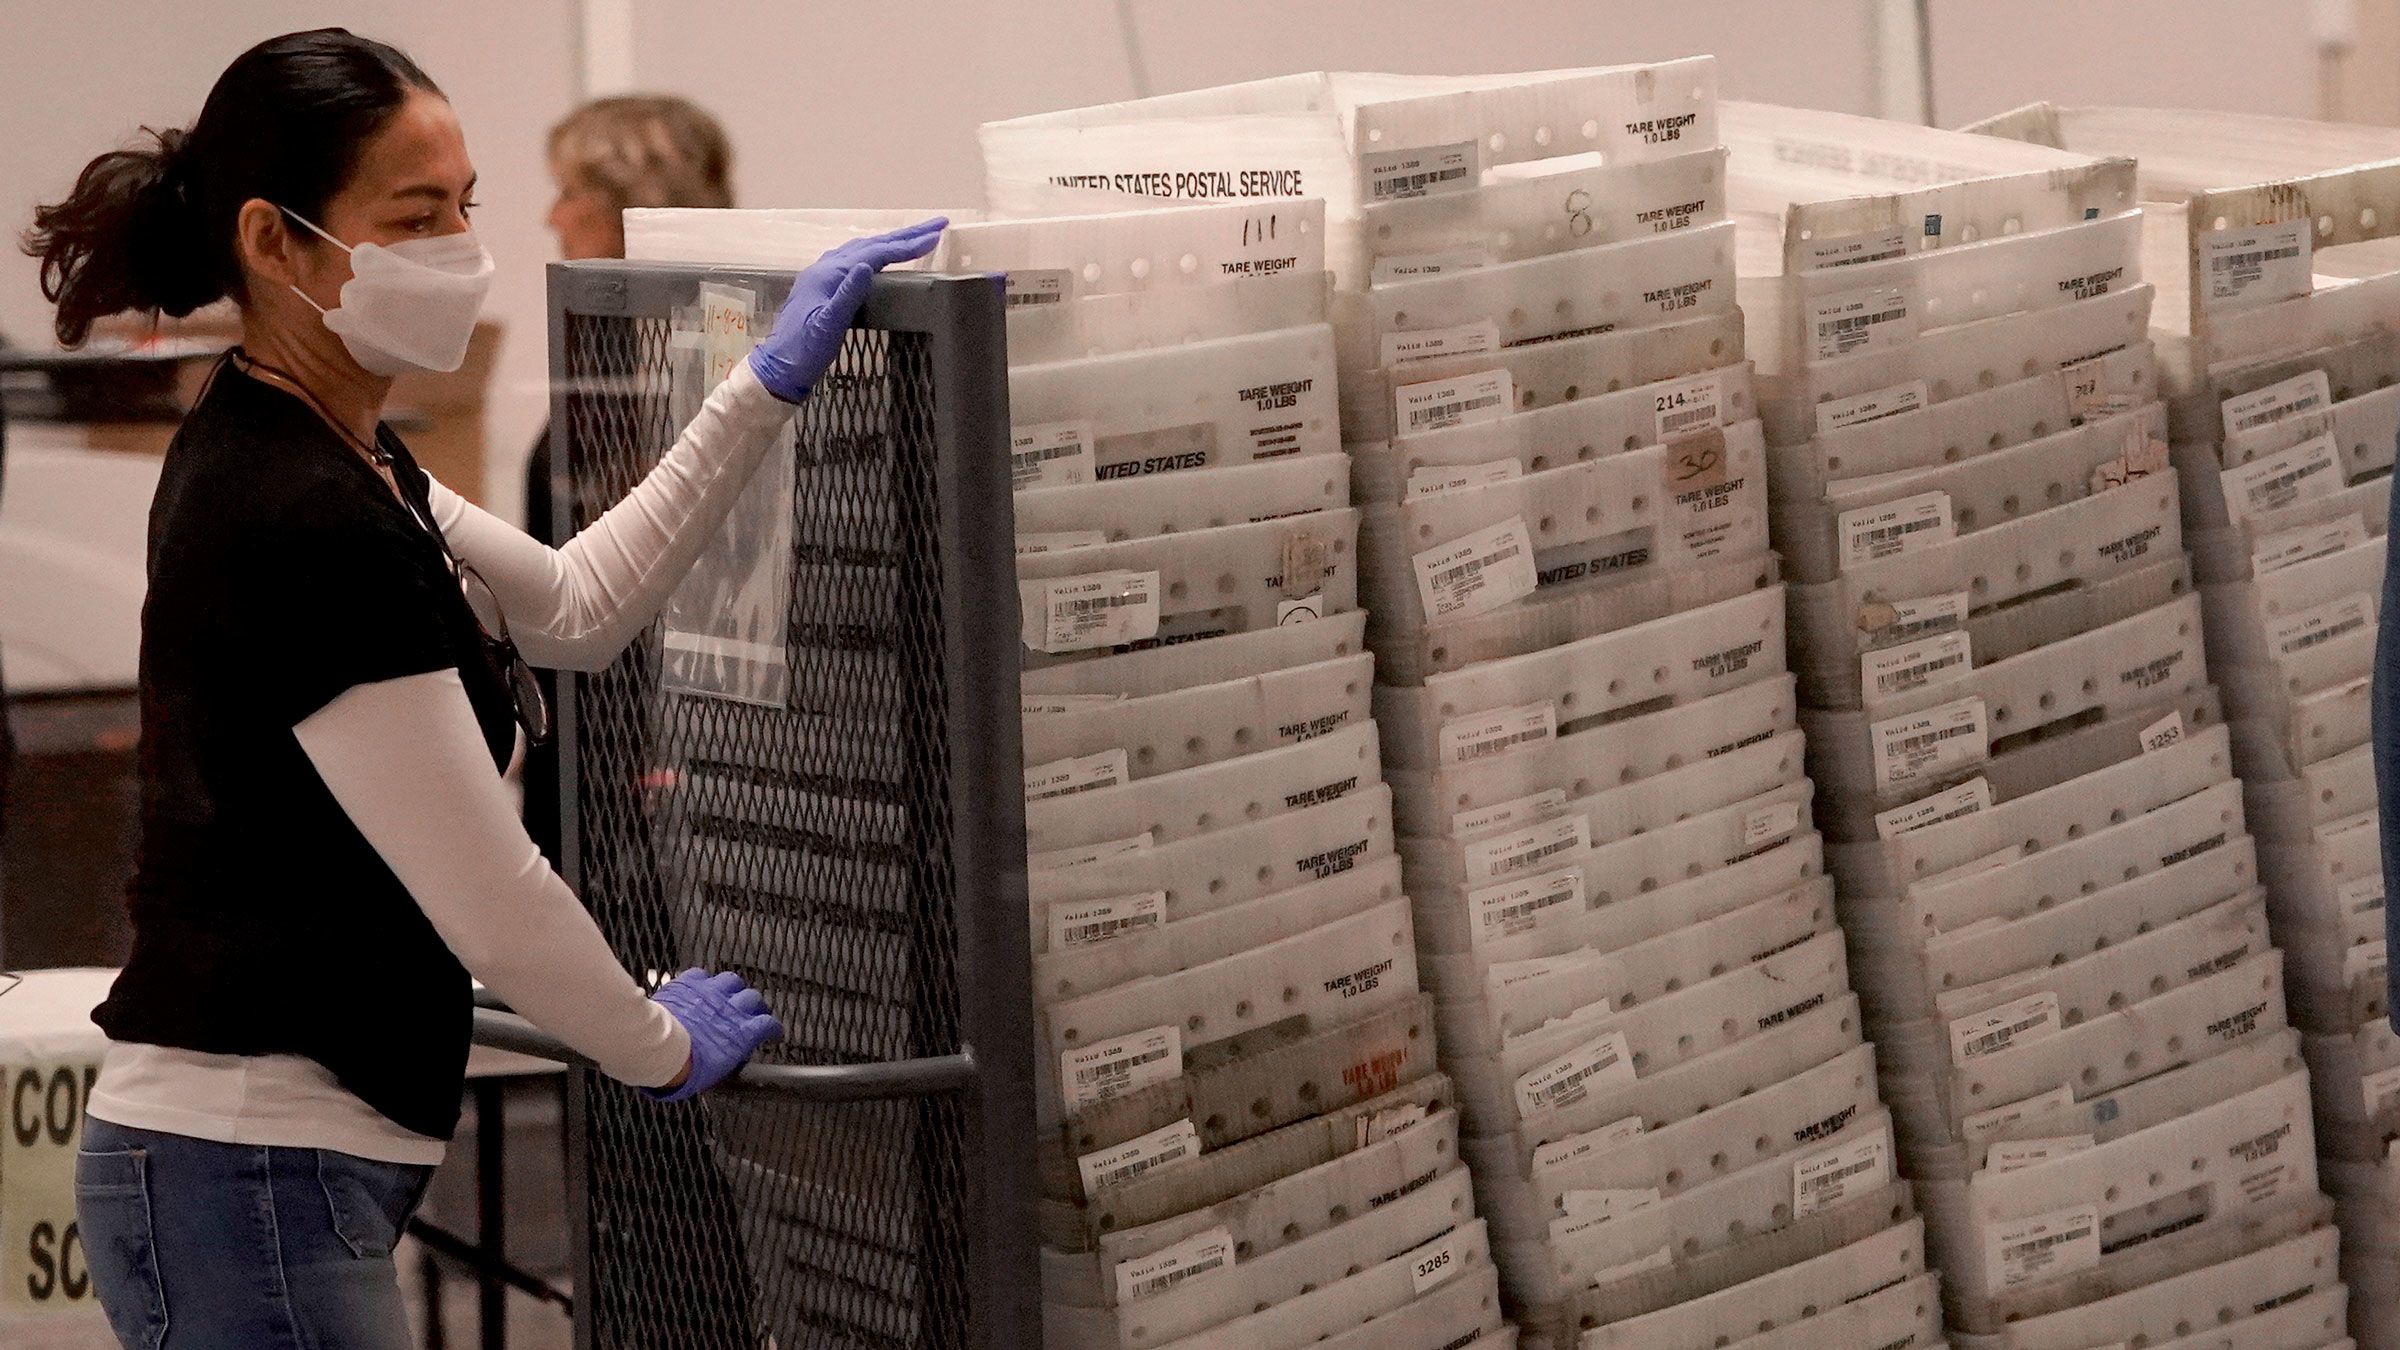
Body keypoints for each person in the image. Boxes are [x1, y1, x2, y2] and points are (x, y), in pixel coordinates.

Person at [20, 28, 942, 1348]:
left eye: (467, 205)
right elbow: (492, 894)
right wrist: (654, 1043)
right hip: (246, 1177)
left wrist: (762, 384)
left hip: (276, 1180)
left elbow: (573, 604)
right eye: (414, 214)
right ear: (276, 244)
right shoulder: (290, 508)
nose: (463, 245)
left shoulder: (343, 451)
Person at [523, 93, 736, 867]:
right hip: (586, 745)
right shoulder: (609, 361)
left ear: (632, 204)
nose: (554, 215)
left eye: (571, 190)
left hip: (651, 767)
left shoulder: (703, 371)